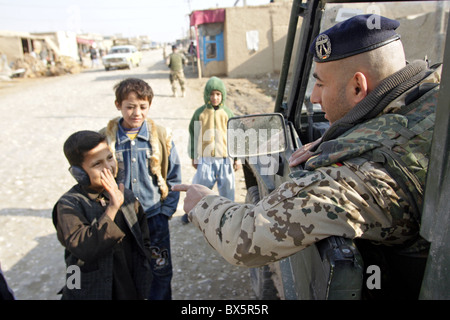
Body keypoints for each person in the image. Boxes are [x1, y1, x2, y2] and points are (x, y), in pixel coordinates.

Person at [173, 14, 440, 297]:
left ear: (358, 87)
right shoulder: (435, 97)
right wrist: (345, 132)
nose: (313, 97)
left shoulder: (366, 175)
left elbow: (247, 236)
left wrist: (203, 204)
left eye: (321, 84)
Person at [100, 78, 181, 300]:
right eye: (130, 107)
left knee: (160, 269)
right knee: (126, 269)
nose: (137, 113)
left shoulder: (161, 136)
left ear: (149, 106)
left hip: (154, 217)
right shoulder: (106, 139)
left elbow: (173, 176)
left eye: (142, 107)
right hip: (120, 219)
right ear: (118, 105)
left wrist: (166, 211)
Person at [52, 130, 152, 300]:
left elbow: (143, 240)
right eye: (97, 164)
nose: (108, 167)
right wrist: (112, 209)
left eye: (110, 158)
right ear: (79, 173)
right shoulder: (69, 205)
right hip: (89, 290)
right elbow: (84, 248)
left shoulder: (126, 196)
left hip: (127, 287)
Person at [182, 76, 240, 224]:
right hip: (206, 158)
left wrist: (237, 159)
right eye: (212, 94)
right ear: (207, 94)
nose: (214, 97)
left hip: (225, 158)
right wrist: (194, 157)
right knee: (200, 187)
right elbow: (193, 135)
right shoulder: (200, 113)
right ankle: (192, 211)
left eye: (218, 94)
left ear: (223, 95)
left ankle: (229, 215)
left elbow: (235, 136)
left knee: (228, 189)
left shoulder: (228, 114)